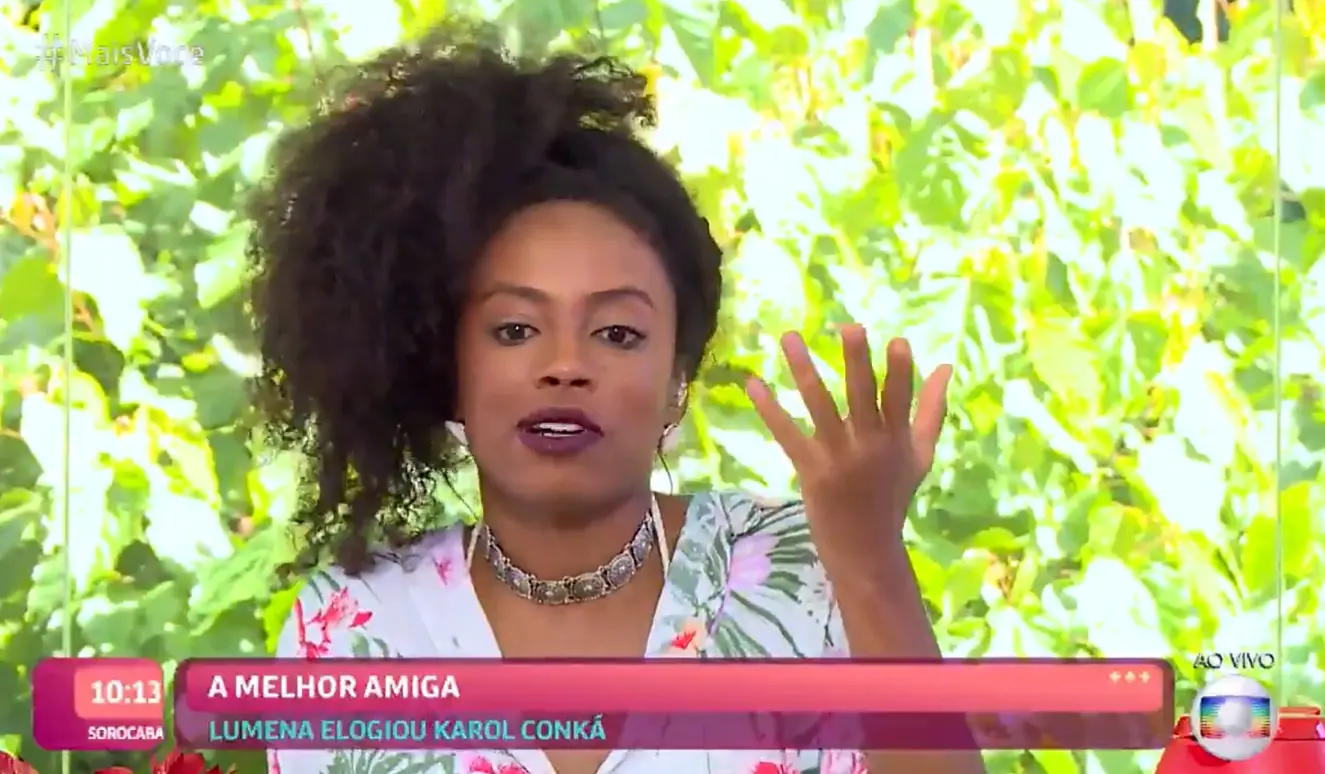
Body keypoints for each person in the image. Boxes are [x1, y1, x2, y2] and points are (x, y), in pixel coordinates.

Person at [248, 20, 984, 774]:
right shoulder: (352, 632)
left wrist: (870, 560)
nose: (566, 365)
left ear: (677, 385)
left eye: (618, 333)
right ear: (447, 370)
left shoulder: (806, 571)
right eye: (514, 329)